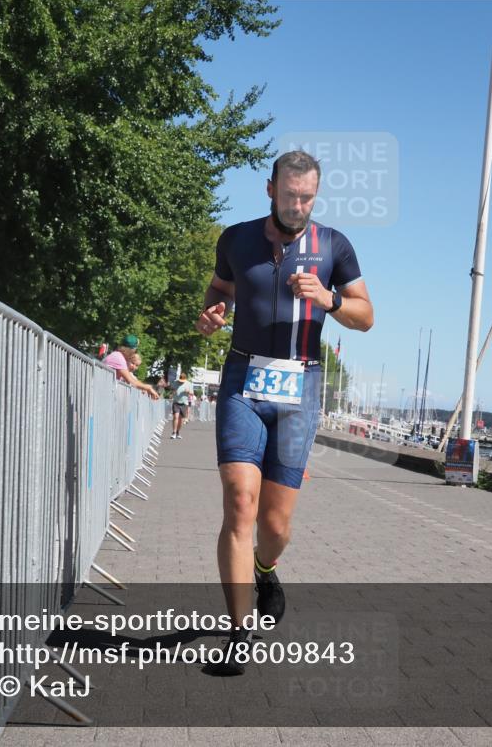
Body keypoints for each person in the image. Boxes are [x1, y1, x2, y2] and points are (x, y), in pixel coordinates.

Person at [196, 150, 374, 674]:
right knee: (239, 501)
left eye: (307, 197)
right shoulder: (236, 239)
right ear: (269, 188)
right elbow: (221, 288)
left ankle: (264, 569)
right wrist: (212, 311)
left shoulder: (333, 246)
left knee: (275, 524)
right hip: (242, 378)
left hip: (300, 382)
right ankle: (237, 632)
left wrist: (329, 299)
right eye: (289, 194)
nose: (297, 205)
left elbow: (366, 317)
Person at [171, 372, 194, 439]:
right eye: (180, 381)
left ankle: (178, 432)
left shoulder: (189, 384)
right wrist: (173, 392)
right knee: (176, 416)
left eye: (182, 381)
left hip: (184, 403)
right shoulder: (175, 382)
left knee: (181, 420)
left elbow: (192, 393)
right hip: (176, 402)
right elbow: (172, 389)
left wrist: (188, 392)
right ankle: (174, 432)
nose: (181, 382)